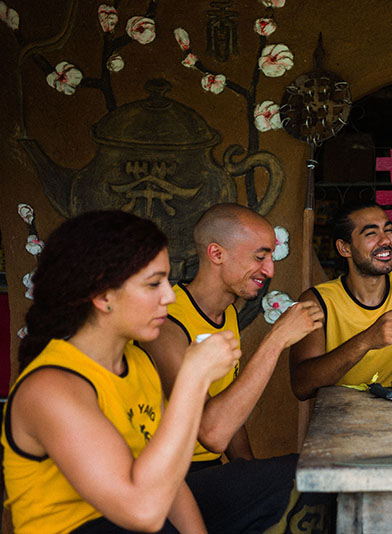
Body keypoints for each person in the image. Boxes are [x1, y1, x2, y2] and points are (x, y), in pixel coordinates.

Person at [2, 210, 240, 534]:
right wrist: (194, 377)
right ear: (103, 296)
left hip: (140, 511)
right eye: (154, 284)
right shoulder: (49, 388)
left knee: (285, 480)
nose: (169, 297)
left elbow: (168, 481)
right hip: (107, 523)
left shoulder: (139, 364)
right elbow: (143, 511)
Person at [141, 203, 327, 533]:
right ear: (216, 253)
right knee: (303, 474)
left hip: (206, 474)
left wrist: (249, 472)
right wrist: (277, 338)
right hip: (164, 483)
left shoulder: (226, 314)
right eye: (260, 256)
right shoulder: (166, 322)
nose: (269, 270)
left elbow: (228, 409)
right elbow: (213, 434)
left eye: (271, 257)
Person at [290, 200, 392, 400]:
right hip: (345, 420)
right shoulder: (319, 302)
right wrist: (366, 340)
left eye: (388, 230)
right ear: (344, 248)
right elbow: (301, 386)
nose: (386, 241)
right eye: (371, 233)